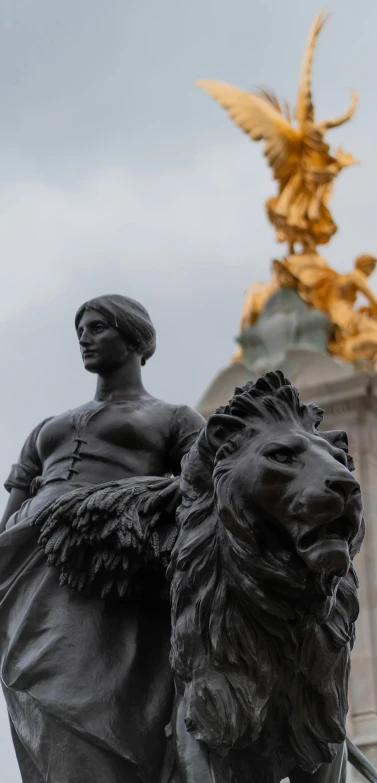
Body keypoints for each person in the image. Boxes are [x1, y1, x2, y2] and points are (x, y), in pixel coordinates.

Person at [0, 295, 204, 783]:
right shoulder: (47, 426)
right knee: (37, 686)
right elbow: (11, 513)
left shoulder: (174, 417)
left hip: (107, 565)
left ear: (133, 338)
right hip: (29, 561)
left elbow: (204, 492)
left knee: (89, 686)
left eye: (97, 329)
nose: (84, 339)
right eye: (80, 331)